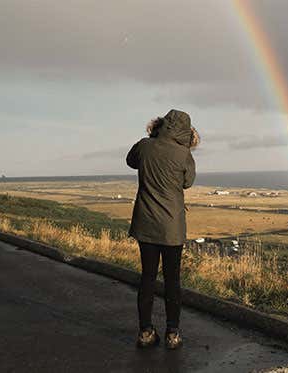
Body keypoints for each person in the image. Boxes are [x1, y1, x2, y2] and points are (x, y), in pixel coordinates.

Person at [126, 109, 198, 350]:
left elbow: (130, 161)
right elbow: (188, 182)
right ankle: (173, 334)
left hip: (145, 223)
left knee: (147, 278)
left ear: (161, 124)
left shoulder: (144, 146)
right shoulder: (184, 154)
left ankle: (145, 332)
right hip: (172, 228)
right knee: (172, 280)